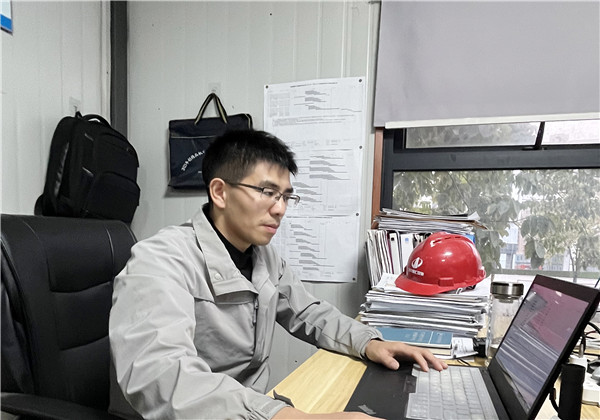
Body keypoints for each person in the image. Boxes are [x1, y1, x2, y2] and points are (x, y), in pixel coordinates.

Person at [109, 129, 447, 420]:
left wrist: (368, 342)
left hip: (255, 409)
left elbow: (308, 312)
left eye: (286, 196)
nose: (280, 208)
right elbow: (160, 374)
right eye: (268, 192)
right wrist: (283, 416)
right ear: (220, 192)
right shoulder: (160, 260)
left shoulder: (263, 256)